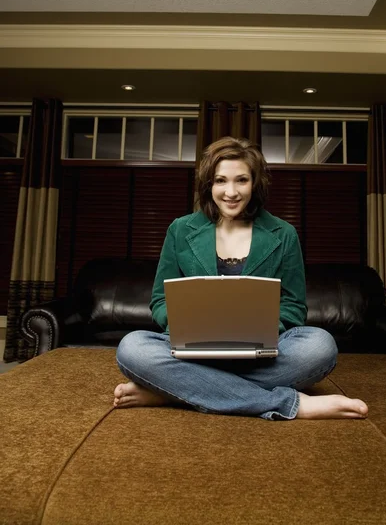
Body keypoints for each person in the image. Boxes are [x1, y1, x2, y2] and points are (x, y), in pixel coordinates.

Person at [114, 137, 368, 420]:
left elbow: (294, 306)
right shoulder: (180, 229)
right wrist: (191, 326)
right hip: (192, 350)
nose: (231, 192)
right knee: (131, 348)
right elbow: (160, 299)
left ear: (255, 183)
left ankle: (173, 390)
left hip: (260, 353)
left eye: (242, 180)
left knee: (320, 346)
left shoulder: (283, 234)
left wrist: (260, 328)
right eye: (221, 181)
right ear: (209, 184)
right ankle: (290, 404)